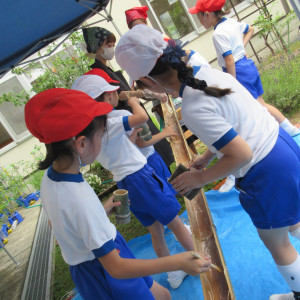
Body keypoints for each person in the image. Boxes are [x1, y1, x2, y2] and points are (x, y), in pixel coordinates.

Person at [114, 25, 300, 300]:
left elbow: (242, 154)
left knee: (277, 242)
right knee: (295, 222)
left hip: (264, 171)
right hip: (283, 149)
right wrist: (209, 154)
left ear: (149, 82)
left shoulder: (192, 105)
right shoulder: (207, 73)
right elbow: (234, 122)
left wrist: (200, 178)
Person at [24, 88, 211, 300]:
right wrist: (177, 261)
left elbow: (57, 223)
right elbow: (116, 268)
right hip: (104, 273)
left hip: (107, 254)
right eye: (101, 134)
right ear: (82, 143)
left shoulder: (51, 178)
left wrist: (101, 210)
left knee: (163, 295)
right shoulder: (77, 199)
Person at [71, 74, 197, 289]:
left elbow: (121, 148)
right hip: (141, 178)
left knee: (155, 231)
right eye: (111, 93)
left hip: (125, 184)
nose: (114, 95)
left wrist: (131, 136)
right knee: (175, 223)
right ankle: (200, 259)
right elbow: (141, 118)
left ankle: (173, 274)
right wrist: (134, 102)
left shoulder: (91, 131)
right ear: (105, 98)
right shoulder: (112, 118)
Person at [188, 0, 300, 138]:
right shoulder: (230, 22)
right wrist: (240, 48)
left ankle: (286, 131)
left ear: (207, 15)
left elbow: (229, 60)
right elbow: (250, 29)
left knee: (258, 107)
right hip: (247, 65)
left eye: (198, 17)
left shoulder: (218, 34)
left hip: (238, 71)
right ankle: (287, 130)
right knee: (260, 104)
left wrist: (231, 82)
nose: (198, 20)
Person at [82, 26, 175, 169]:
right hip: (131, 117)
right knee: (150, 150)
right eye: (108, 45)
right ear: (98, 47)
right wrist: (145, 95)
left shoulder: (108, 69)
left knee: (158, 153)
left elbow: (127, 90)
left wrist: (146, 92)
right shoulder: (98, 72)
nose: (112, 48)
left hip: (135, 112)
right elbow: (122, 95)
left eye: (113, 45)